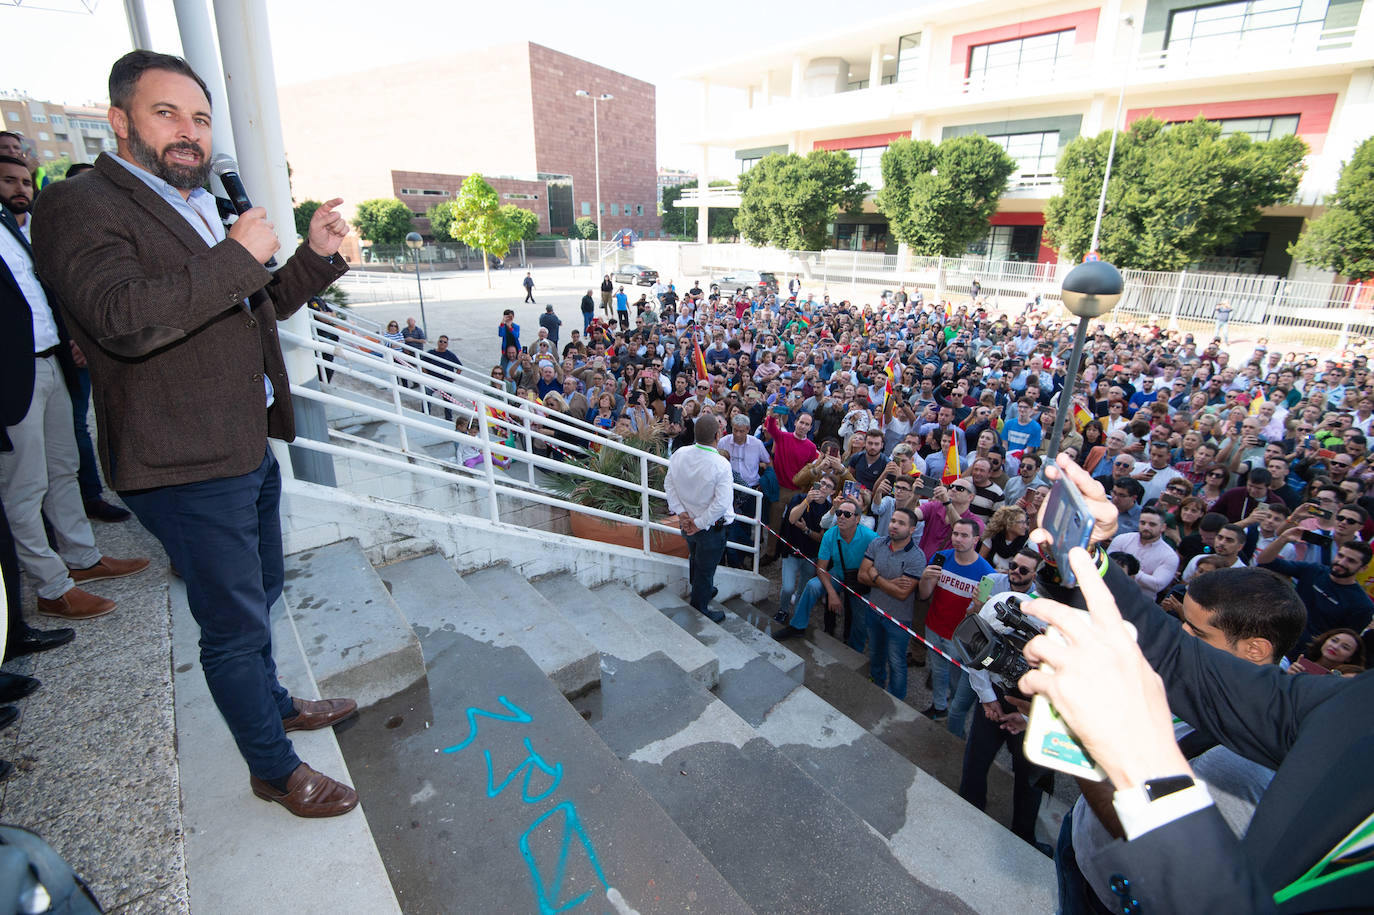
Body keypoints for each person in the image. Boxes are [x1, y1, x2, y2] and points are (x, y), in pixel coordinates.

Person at [31, 51, 359, 818]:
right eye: (166, 113)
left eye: (200, 118)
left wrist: (313, 255)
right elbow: (124, 319)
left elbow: (255, 300)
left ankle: (272, 702)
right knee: (232, 626)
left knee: (262, 595)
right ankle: (274, 770)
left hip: (243, 441)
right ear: (119, 121)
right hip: (182, 459)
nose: (189, 132)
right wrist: (234, 254)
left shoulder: (196, 203)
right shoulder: (79, 205)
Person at [1019, 455, 1372, 915]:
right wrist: (1083, 549)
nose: (1184, 633)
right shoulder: (1351, 705)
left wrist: (1114, 759)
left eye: (1198, 629)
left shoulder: (1247, 771)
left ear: (1256, 651)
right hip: (1086, 862)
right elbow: (1177, 658)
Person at [2, 154, 150, 622]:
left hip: (50, 365)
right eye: (8, 180)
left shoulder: (16, 230)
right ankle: (51, 587)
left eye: (25, 179)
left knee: (63, 469)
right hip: (11, 377)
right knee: (24, 488)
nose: (20, 187)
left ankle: (82, 560)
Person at [916, 516, 993, 723]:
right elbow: (924, 595)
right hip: (934, 625)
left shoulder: (987, 574)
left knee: (956, 678)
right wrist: (925, 578)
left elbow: (983, 615)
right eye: (955, 534)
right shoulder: (941, 557)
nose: (958, 539)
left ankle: (956, 714)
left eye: (964, 535)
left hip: (959, 638)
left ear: (975, 539)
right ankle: (939, 706)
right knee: (938, 670)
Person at [664, 413, 733, 624]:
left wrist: (682, 514)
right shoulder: (721, 464)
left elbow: (669, 485)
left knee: (695, 557)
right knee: (705, 567)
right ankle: (700, 606)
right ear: (717, 435)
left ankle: (701, 589)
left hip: (689, 523)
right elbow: (721, 503)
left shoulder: (679, 453)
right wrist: (698, 523)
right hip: (708, 527)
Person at [1256, 532, 1374, 655]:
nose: (1341, 562)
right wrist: (1283, 539)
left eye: (1351, 561)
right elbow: (1265, 561)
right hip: (1271, 635)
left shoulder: (1363, 605)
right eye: (1340, 555)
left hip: (1302, 655)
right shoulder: (1314, 570)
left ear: (1363, 568)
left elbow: (1345, 642)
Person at [857, 507, 924, 700]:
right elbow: (862, 575)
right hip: (874, 611)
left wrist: (876, 576)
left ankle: (896, 700)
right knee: (876, 654)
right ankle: (876, 686)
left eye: (901, 523)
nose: (894, 525)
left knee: (896, 662)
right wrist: (889, 583)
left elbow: (903, 594)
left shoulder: (917, 557)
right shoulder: (877, 543)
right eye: (893, 520)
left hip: (899, 619)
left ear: (912, 529)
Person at [1107, 507, 1180, 600]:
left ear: (1163, 527)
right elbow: (1107, 564)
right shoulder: (1122, 539)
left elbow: (1157, 584)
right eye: (1143, 523)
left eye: (1152, 524)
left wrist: (1128, 570)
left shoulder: (1169, 556)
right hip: (1109, 594)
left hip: (1140, 603)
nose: (1146, 527)